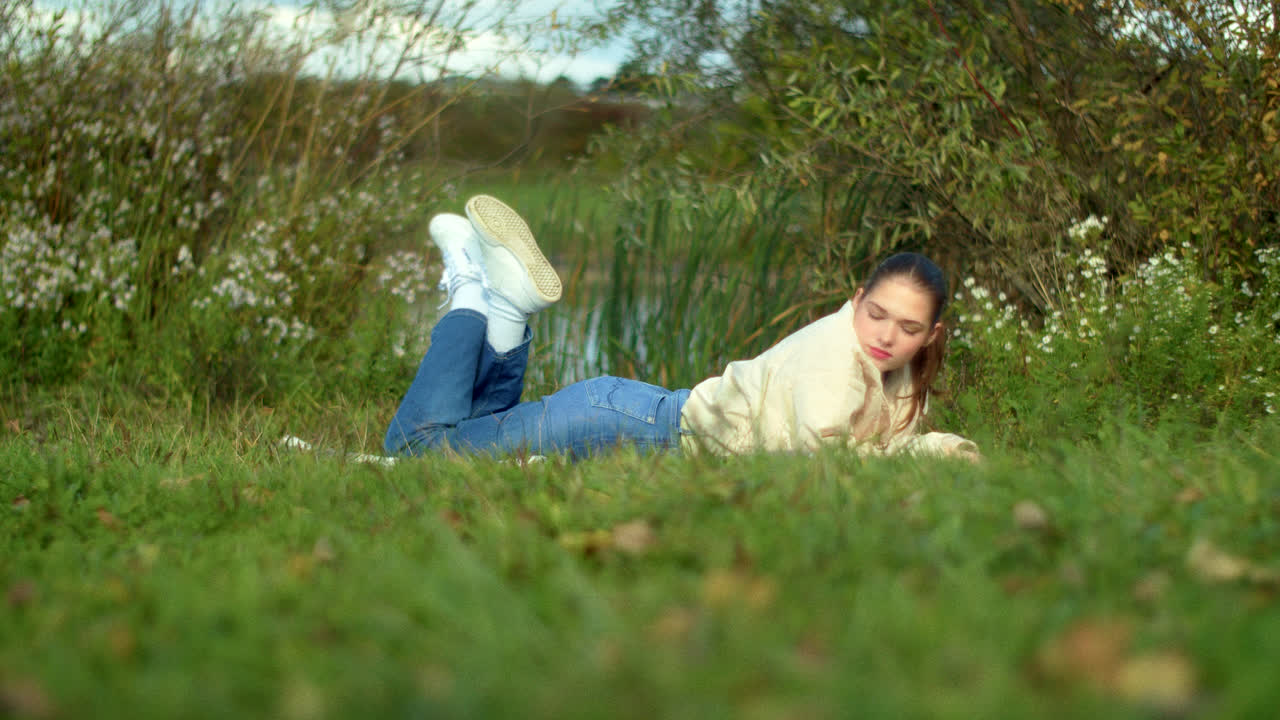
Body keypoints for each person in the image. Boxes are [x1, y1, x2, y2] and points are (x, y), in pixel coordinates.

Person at [384, 195, 978, 461]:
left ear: (930, 335)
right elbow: (819, 459)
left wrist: (941, 448)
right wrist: (928, 457)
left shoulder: (894, 376)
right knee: (417, 450)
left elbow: (886, 447)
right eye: (875, 314)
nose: (884, 335)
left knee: (474, 435)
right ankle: (467, 282)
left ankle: (509, 309)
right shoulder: (833, 352)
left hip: (631, 414)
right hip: (628, 425)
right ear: (856, 301)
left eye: (906, 327)